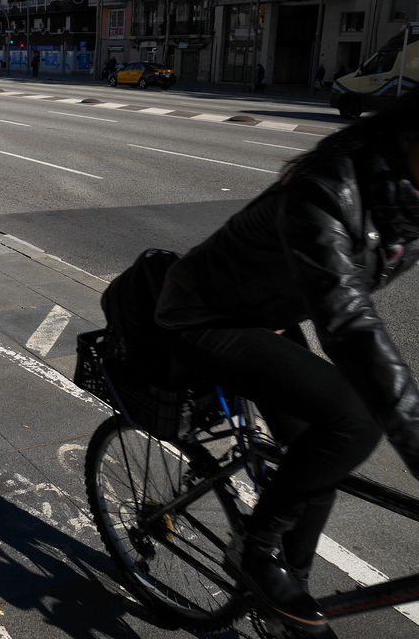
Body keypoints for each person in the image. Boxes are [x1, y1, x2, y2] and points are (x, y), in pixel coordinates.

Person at [155, 90, 419, 632]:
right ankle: (256, 546)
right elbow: (350, 326)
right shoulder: (328, 188)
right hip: (204, 315)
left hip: (267, 313)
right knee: (352, 418)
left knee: (319, 454)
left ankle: (284, 596)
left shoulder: (403, 195)